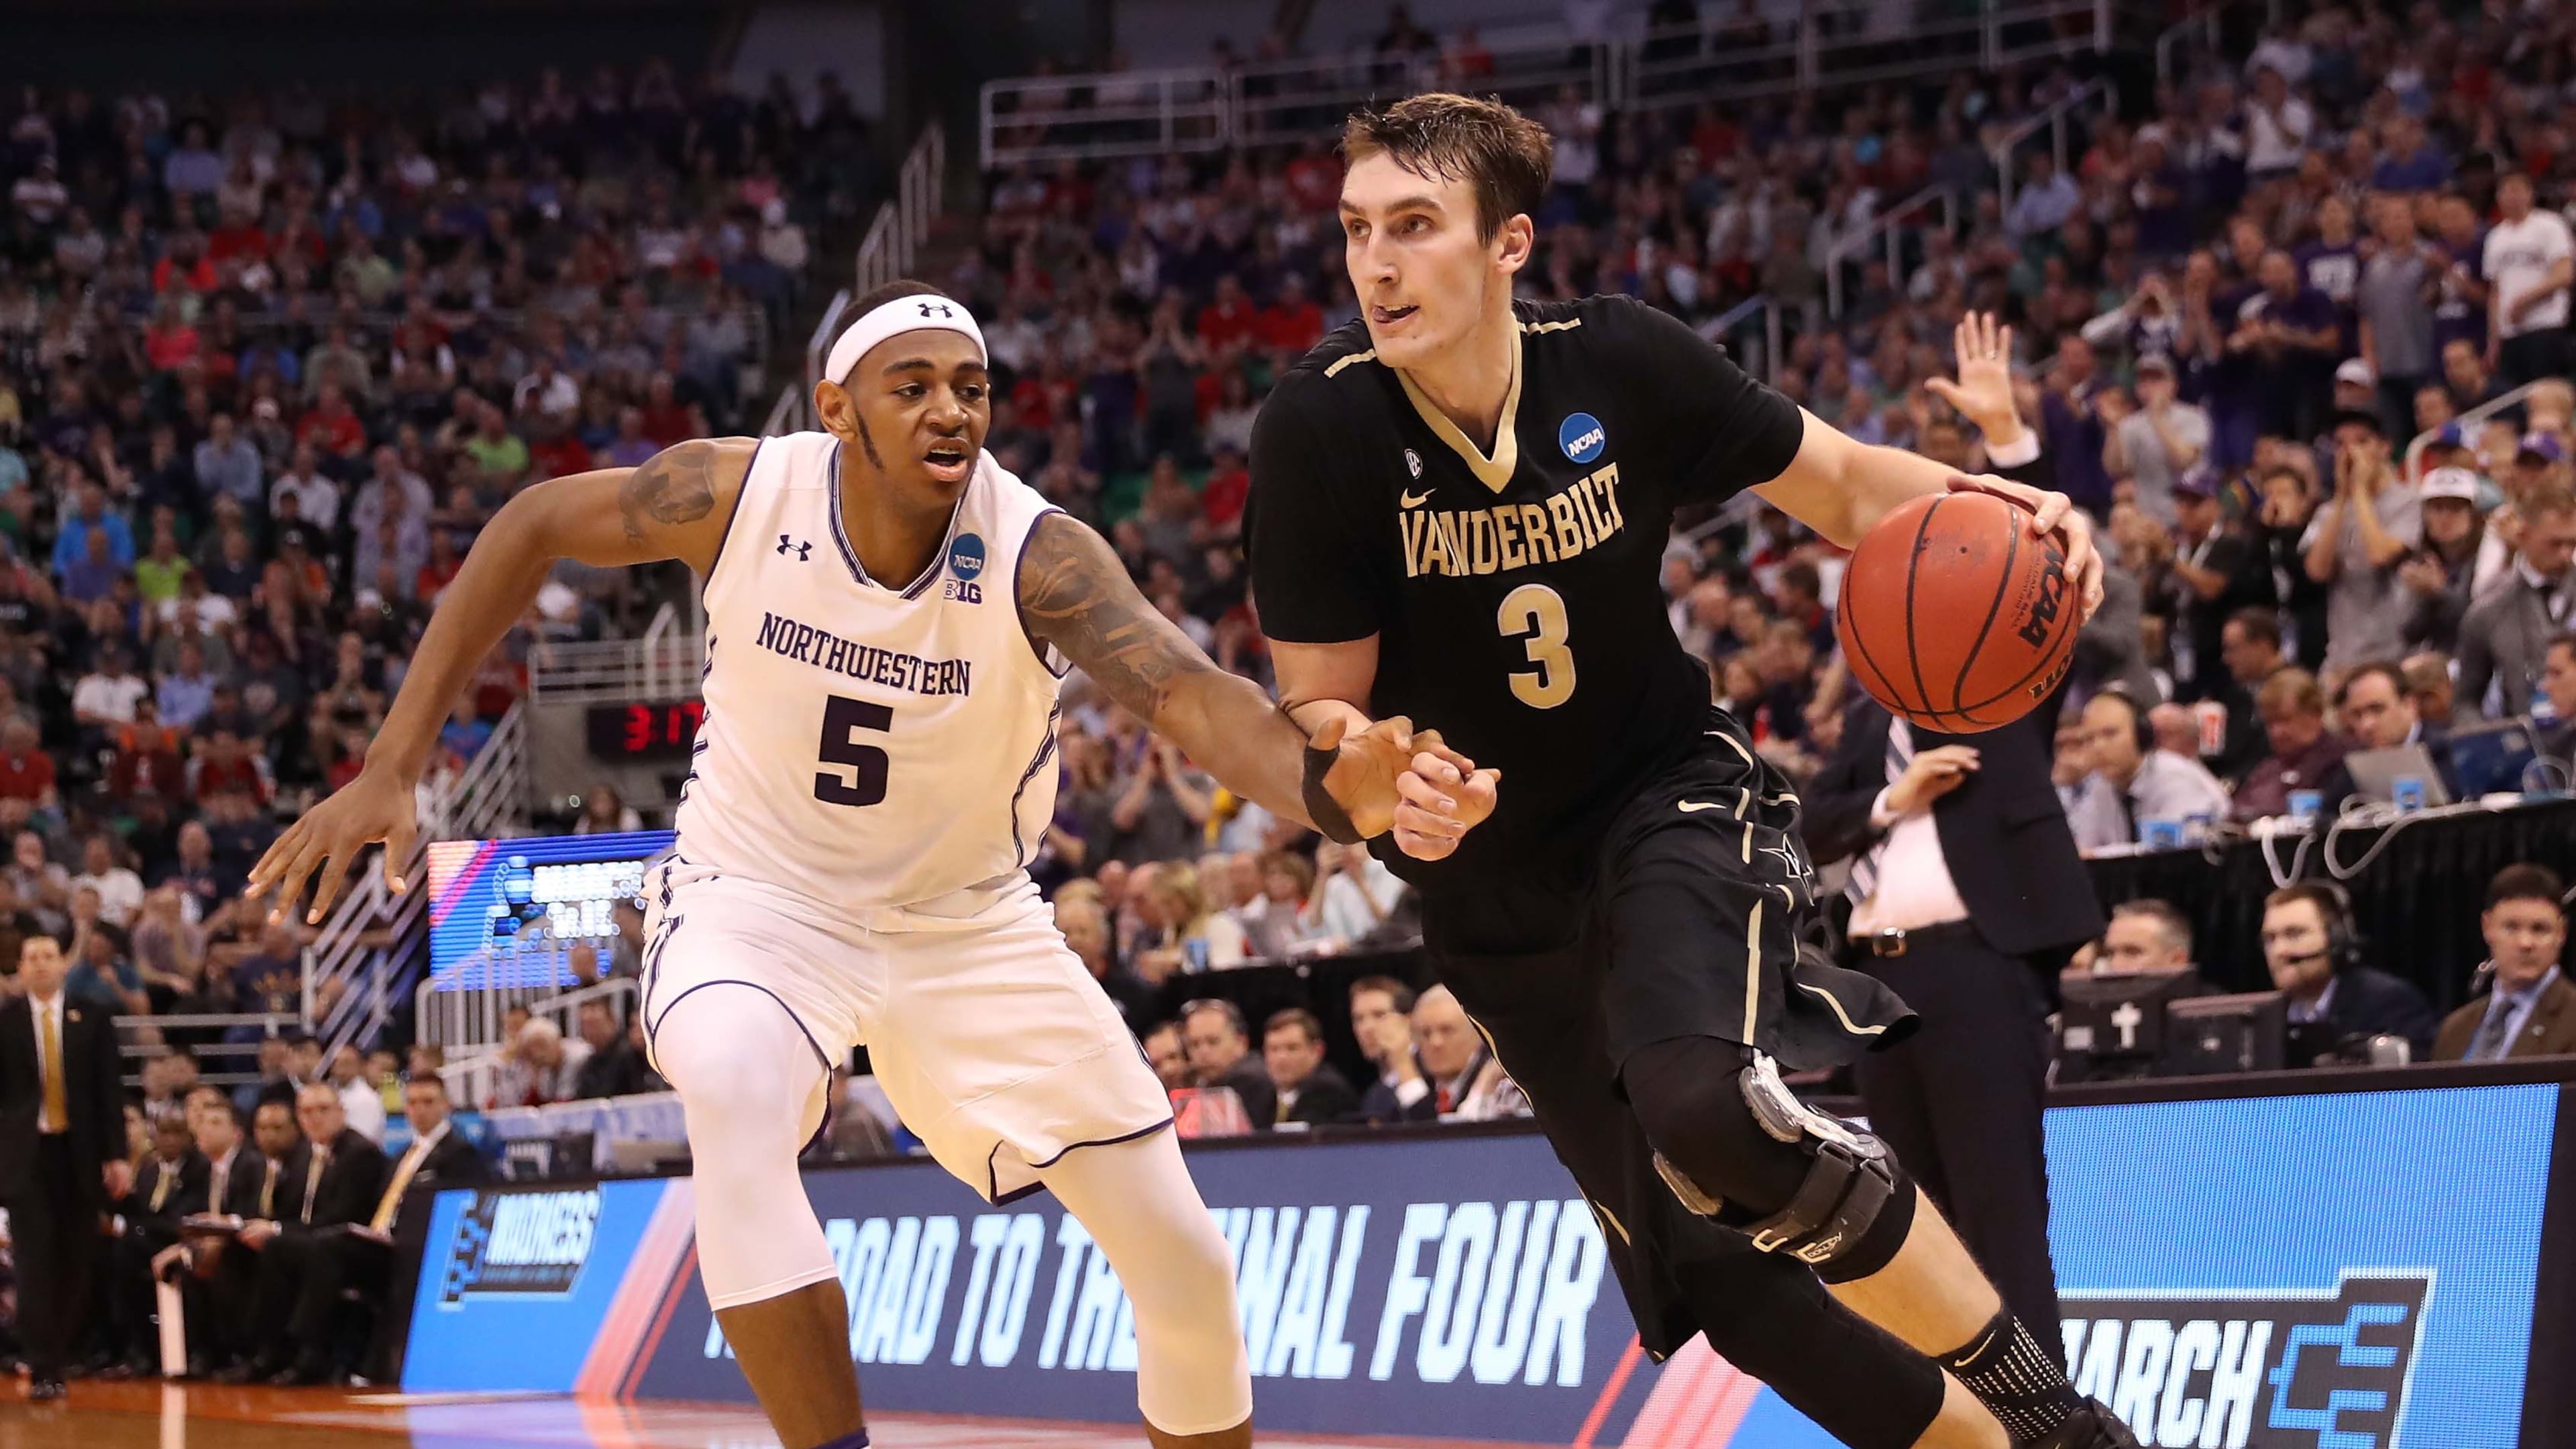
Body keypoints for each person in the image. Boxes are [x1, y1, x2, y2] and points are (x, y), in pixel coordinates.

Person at [246, 277, 1457, 1449]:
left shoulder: (1038, 555)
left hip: (968, 922)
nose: (950, 411)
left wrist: (1330, 793)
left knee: (1184, 1257)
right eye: (913, 385)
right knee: (728, 1086)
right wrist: (396, 762)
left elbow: (1191, 695)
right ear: (837, 408)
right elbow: (530, 521)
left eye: (972, 387)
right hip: (757, 900)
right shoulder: (737, 493)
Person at [1247, 94, 2127, 1449]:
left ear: (1507, 244)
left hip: (1666, 796)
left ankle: (2058, 1422)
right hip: (1491, 891)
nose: (1375, 263)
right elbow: (1318, 709)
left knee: (1708, 1110)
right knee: (1734, 1298)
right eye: (1357, 230)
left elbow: (1840, 486)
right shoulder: (1318, 430)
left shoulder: (1619, 363)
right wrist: (1379, 773)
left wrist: (2013, 504)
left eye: (1414, 227)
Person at [1805, 678, 2102, 1348]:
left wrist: (2066, 570)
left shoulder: (2000, 695)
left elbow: (2049, 641)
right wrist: (1891, 799)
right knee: (1918, 1225)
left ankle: (2042, 1420)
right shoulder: (1869, 719)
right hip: (1878, 980)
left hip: (1974, 968)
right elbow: (1809, 824)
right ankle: (1953, 1416)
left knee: (1999, 1212)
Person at [273, 1075, 486, 1385]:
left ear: (446, 1106)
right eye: (412, 1103)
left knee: (329, 1248)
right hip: (378, 1241)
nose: (419, 1110)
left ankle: (308, 1346)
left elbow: (462, 1210)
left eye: (428, 1102)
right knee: (305, 1248)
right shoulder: (401, 1154)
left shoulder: (460, 1153)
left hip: (415, 1251)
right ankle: (290, 1347)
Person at [0, 932, 133, 1400]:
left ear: (63, 963)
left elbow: (109, 1091)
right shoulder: (6, 1019)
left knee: (76, 1261)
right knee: (35, 1263)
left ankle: (58, 1352)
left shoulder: (92, 1018)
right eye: (31, 958)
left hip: (80, 1153)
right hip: (25, 1157)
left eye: (48, 957)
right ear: (20, 967)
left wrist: (118, 1155)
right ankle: (43, 1366)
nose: (39, 965)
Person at [230, 1082, 388, 1384]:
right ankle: (264, 1349)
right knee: (254, 1250)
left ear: (341, 1112)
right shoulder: (301, 1155)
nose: (315, 1118)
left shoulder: (360, 1153)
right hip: (307, 1242)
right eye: (306, 1111)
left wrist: (278, 1230)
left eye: (323, 1110)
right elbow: (288, 1211)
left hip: (350, 1246)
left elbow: (342, 1217)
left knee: (296, 1248)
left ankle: (309, 1353)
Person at [2260, 884, 2438, 1064]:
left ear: (2337, 939)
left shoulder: (2389, 1002)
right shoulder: (2263, 1018)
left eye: (2294, 934)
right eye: (2270, 939)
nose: (2278, 951)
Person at [2303, 410, 2420, 676]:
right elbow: (2317, 571)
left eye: (2362, 442)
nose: (2350, 452)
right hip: (2340, 659)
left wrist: (2359, 492)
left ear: (2384, 447)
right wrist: (2343, 496)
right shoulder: (2328, 512)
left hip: (2392, 656)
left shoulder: (2409, 502)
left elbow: (2379, 555)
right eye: (2342, 444)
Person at [2059, 690, 2232, 852]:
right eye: (2090, 739)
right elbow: (2082, 849)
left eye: (2110, 734)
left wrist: (2097, 855)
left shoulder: (2174, 777)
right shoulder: (2101, 788)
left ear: (2141, 735)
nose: (2098, 747)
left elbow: (2167, 854)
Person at [2434, 865, 2576, 1061]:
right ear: (2487, 927)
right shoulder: (2455, 1029)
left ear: (2561, 933)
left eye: (2540, 929)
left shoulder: (2571, 1018)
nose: (2525, 943)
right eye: (2511, 928)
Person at [2457, 487, 2576, 718]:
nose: (2565, 554)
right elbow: (2466, 701)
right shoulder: (2488, 613)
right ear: (2523, 536)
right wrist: (2491, 744)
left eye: (2572, 544)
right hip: (2524, 744)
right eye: (2555, 544)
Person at [2485, 172, 2574, 389]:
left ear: (2529, 193)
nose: (2511, 196)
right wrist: (2494, 340)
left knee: (2546, 393)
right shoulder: (2495, 237)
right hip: (2511, 334)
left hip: (2546, 326)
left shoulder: (2549, 225)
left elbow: (2565, 274)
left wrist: (2526, 300)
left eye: (2517, 189)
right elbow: (2495, 291)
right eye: (2505, 191)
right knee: (2515, 402)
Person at [2231, 668, 2349, 820]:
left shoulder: (2341, 763)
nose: (2276, 733)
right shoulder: (2266, 770)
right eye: (2270, 723)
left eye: (2284, 720)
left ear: (2314, 714)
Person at [1179, 999, 1276, 1128]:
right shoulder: (1193, 1082)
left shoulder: (1249, 1081)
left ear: (1240, 1043)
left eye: (1213, 1042)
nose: (1203, 1052)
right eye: (1195, 1044)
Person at [1260, 1008, 1359, 1126]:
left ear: (1317, 1051)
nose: (1282, 1058)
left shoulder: (1328, 1091)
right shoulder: (1265, 1098)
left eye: (1292, 1048)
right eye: (1274, 1049)